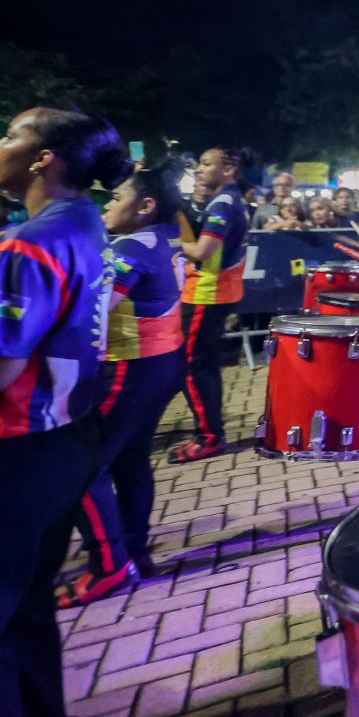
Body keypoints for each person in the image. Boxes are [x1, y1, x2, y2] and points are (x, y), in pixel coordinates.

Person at [0, 108, 130, 714]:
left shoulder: (29, 242)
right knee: (27, 609)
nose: (1, 144)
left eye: (9, 135)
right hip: (67, 436)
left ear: (41, 157)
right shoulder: (85, 221)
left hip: (20, 443)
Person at [57, 160, 187, 608]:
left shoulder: (130, 245)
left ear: (145, 205)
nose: (107, 206)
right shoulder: (170, 235)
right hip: (162, 361)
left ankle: (109, 566)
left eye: (115, 198)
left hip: (132, 366)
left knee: (81, 467)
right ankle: (132, 547)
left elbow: (96, 310)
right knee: (130, 458)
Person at [171, 146, 253, 464]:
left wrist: (173, 246)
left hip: (206, 292)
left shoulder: (223, 202)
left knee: (191, 367)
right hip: (215, 292)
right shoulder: (231, 199)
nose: (200, 169)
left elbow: (205, 250)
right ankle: (211, 432)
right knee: (203, 365)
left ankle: (208, 438)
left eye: (207, 164)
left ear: (228, 169)